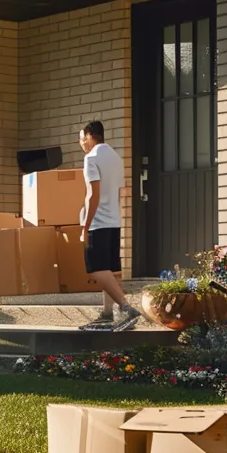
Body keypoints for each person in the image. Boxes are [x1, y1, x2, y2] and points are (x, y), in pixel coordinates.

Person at [76, 121, 141, 331]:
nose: (81, 144)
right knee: (112, 272)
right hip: (114, 221)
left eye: (81, 139)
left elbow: (92, 194)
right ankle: (106, 314)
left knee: (95, 269)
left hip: (98, 222)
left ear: (89, 136)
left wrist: (85, 226)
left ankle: (126, 308)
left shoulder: (91, 158)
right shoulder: (115, 158)